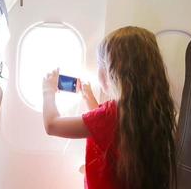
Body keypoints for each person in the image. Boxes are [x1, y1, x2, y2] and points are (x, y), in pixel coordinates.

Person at [42, 26, 177, 189]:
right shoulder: (151, 109)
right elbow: (105, 128)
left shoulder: (111, 113)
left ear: (114, 71)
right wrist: (89, 97)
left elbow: (52, 125)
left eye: (101, 63)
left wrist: (48, 90)